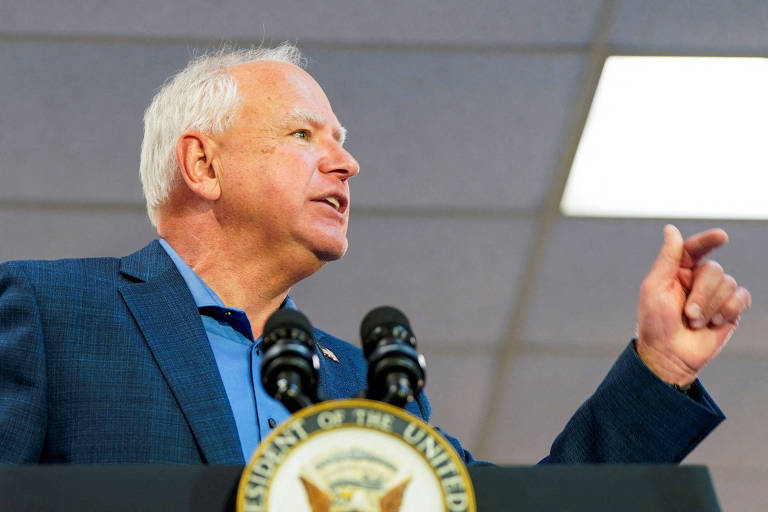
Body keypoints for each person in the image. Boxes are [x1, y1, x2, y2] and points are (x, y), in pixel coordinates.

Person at [0, 45, 751, 465]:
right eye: (304, 136)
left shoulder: (369, 384)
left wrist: (663, 372)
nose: (346, 164)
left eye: (343, 142)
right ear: (203, 166)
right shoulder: (53, 315)